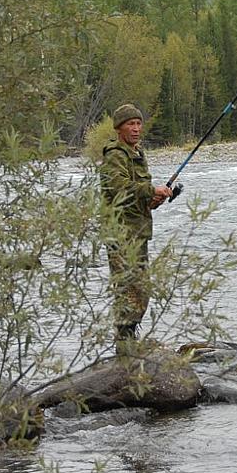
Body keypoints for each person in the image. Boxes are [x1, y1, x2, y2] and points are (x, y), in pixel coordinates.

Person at [99, 104, 174, 354]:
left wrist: (152, 201)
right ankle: (124, 345)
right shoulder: (114, 155)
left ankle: (129, 339)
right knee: (126, 290)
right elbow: (119, 187)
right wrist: (151, 190)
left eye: (139, 123)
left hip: (138, 232)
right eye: (130, 124)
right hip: (120, 235)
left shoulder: (138, 153)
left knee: (141, 290)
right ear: (119, 128)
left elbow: (136, 196)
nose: (136, 129)